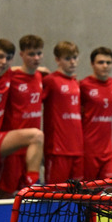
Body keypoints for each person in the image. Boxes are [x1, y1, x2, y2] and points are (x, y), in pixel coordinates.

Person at [0, 39, 44, 195]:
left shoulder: (9, 75)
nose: (3, 62)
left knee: (36, 135)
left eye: (8, 58)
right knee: (4, 194)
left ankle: (32, 185)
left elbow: (28, 70)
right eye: (0, 57)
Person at [40, 41, 83, 184]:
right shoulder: (50, 81)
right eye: (67, 58)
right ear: (57, 60)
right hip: (57, 149)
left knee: (77, 196)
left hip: (77, 148)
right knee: (55, 193)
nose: (72, 62)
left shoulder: (76, 83)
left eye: (75, 57)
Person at [80, 47, 112, 180]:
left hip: (108, 151)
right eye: (100, 62)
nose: (105, 66)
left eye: (108, 63)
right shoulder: (83, 85)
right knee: (88, 192)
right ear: (92, 64)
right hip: (88, 150)